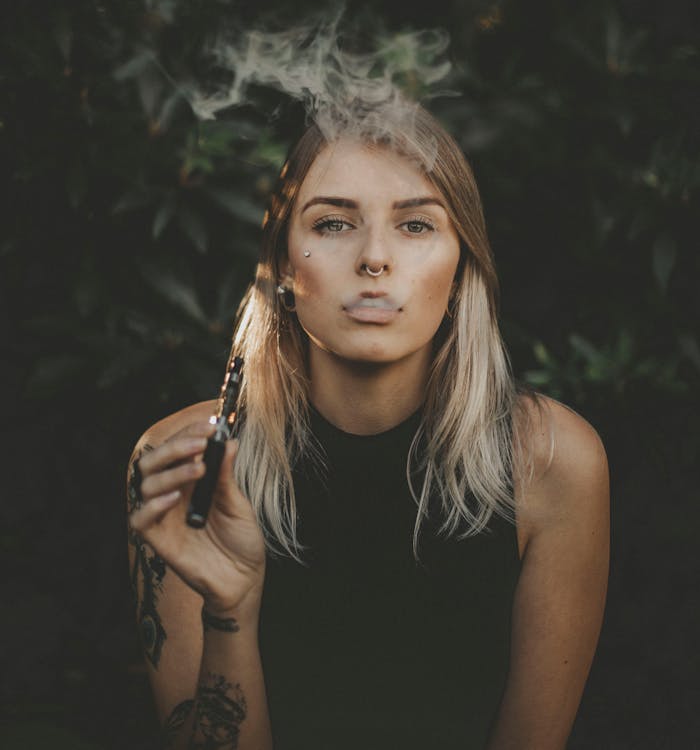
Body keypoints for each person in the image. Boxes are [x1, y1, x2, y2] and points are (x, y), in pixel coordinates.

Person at [127, 101, 609, 750]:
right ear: (284, 266)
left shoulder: (549, 462)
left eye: (415, 225)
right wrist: (229, 613)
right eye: (333, 223)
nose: (375, 258)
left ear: (461, 267)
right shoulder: (186, 466)